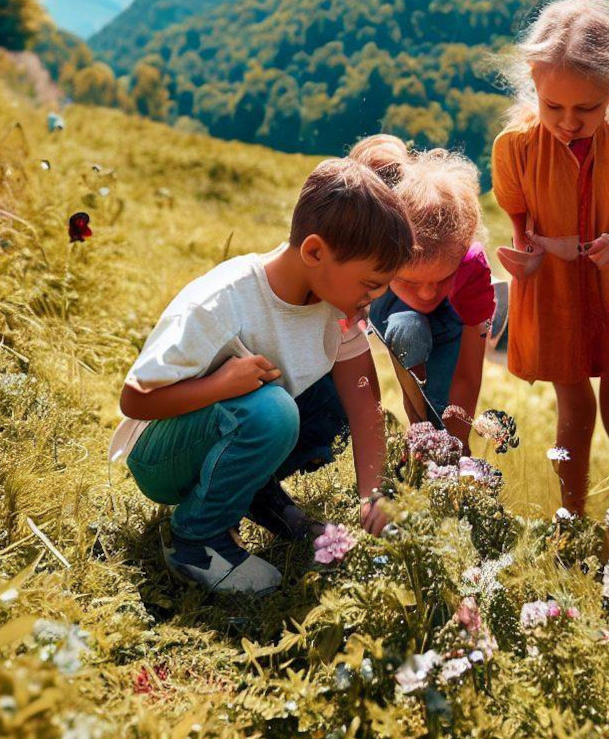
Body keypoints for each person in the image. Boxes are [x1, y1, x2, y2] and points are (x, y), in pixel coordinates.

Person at [108, 158, 415, 594]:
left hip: (233, 428)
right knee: (273, 411)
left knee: (335, 399)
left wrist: (374, 498)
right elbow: (134, 401)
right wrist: (220, 385)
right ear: (314, 252)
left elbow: (365, 405)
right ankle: (195, 540)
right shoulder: (222, 302)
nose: (375, 298)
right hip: (161, 453)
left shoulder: (336, 311)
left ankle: (251, 492)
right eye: (369, 284)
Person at [491, 0, 609, 514]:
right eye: (554, 107)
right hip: (555, 294)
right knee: (573, 409)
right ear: (534, 85)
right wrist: (529, 254)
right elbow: (521, 229)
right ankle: (571, 518)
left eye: (585, 109)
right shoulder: (516, 148)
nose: (568, 122)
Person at [350, 135, 495, 448]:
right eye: (412, 282)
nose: (428, 294)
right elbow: (349, 352)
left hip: (453, 314)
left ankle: (437, 454)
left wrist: (456, 444)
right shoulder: (369, 263)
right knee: (408, 328)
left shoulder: (471, 270)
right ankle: (418, 434)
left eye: (441, 279)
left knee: (443, 409)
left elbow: (468, 377)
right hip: (394, 311)